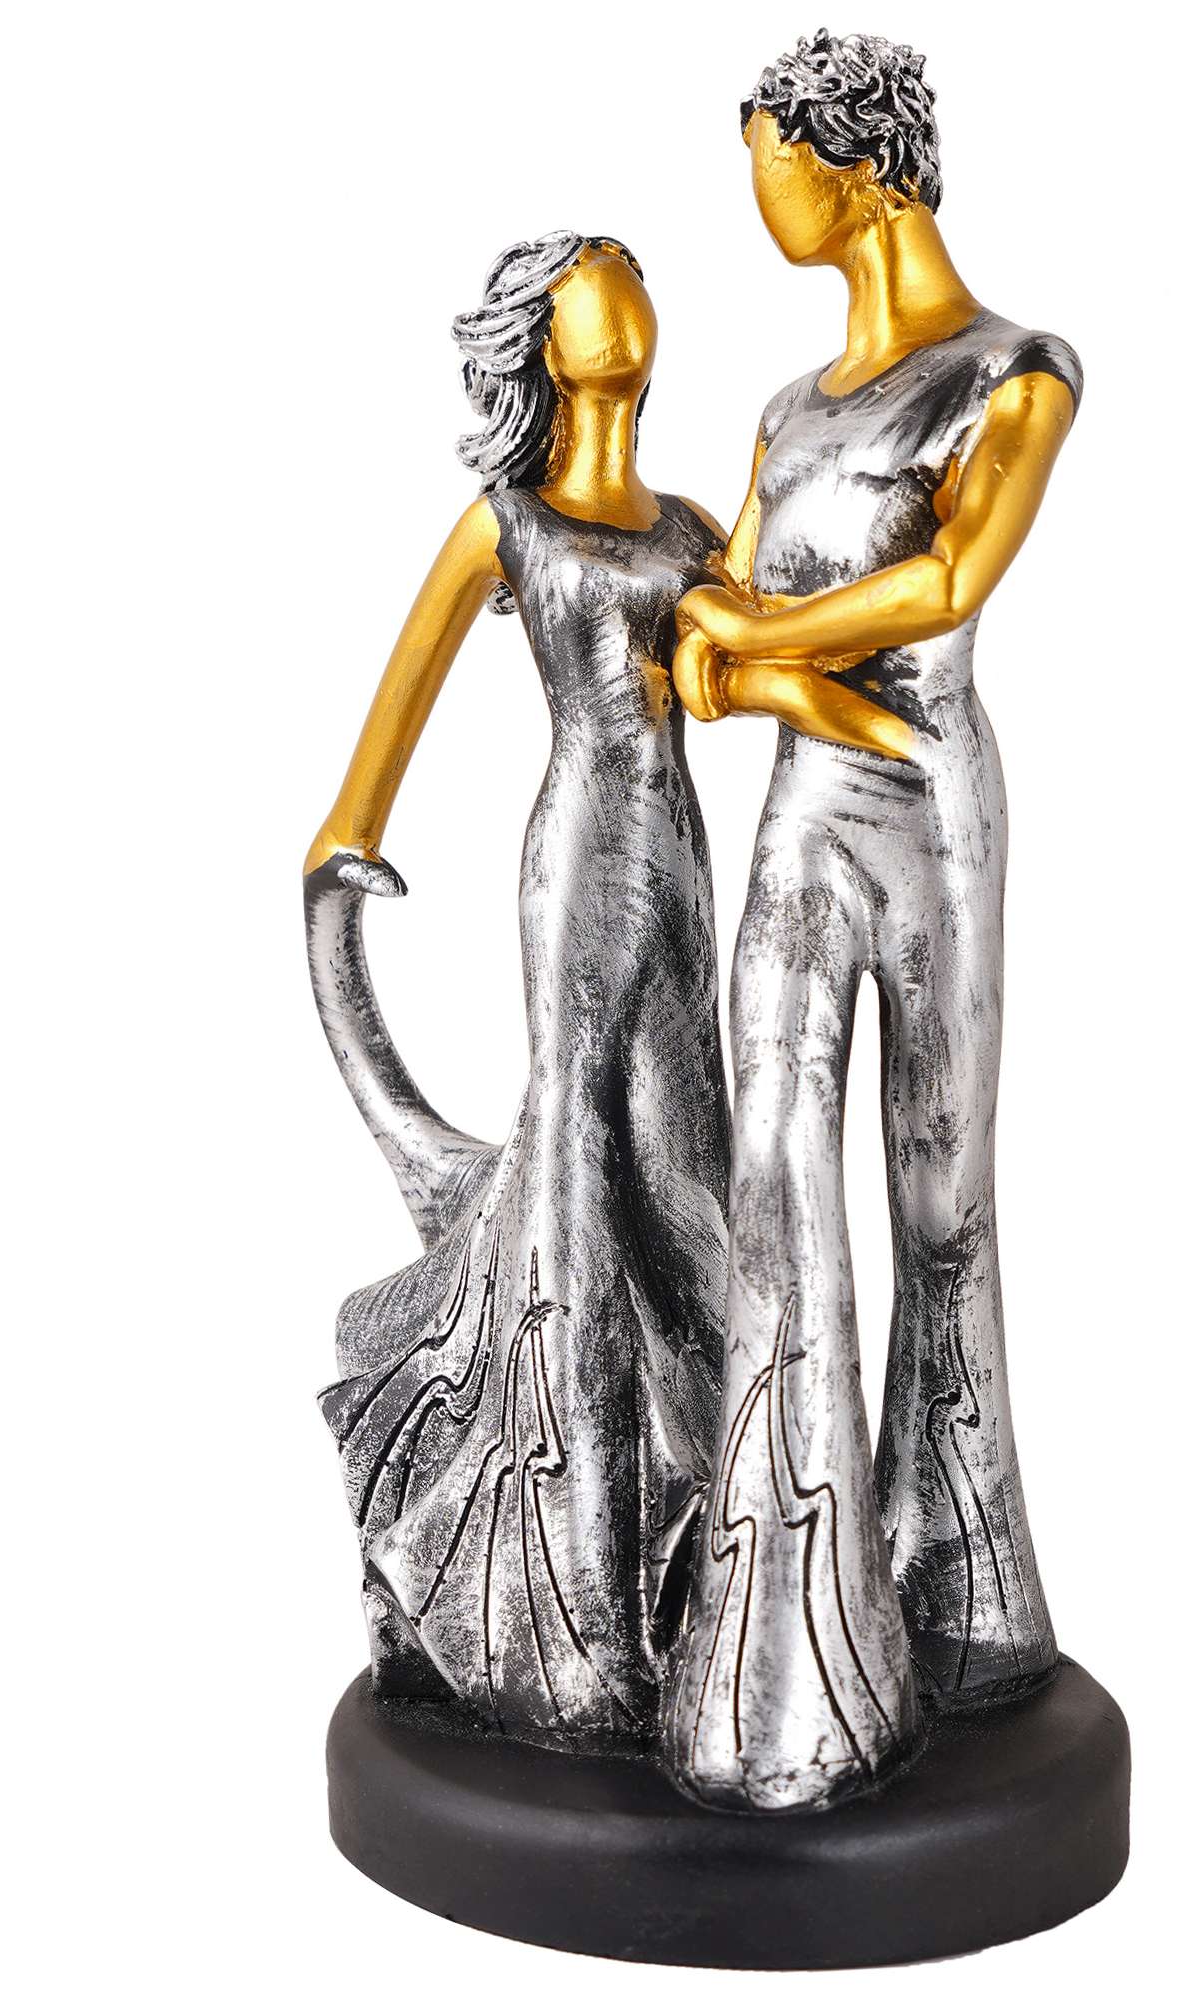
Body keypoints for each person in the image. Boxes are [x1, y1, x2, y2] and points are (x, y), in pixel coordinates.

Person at [302, 234, 906, 1750]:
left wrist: (872, 714)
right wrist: (345, 835)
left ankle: (718, 1529)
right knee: (576, 1164)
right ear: (547, 339)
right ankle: (559, 1609)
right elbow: (405, 691)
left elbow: (737, 669)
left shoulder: (695, 527)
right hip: (579, 861)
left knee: (687, 1173)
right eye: (590, 278)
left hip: (681, 860)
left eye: (630, 272)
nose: (623, 289)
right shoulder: (509, 524)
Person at [661, 32, 1086, 1811]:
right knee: (771, 1181)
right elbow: (699, 647)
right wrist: (765, 667)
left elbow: (949, 579)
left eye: (768, 159)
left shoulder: (1013, 374)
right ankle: (787, 1654)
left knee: (940, 1207)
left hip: (935, 820)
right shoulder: (786, 412)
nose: (756, 195)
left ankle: (965, 1602)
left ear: (852, 167)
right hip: (806, 820)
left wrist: (759, 642)